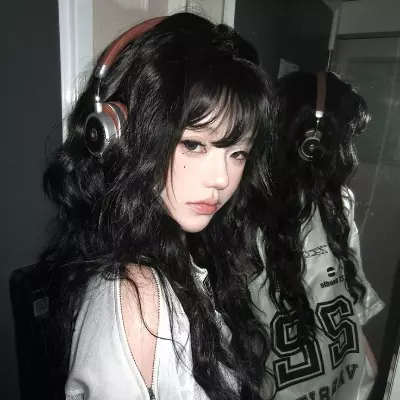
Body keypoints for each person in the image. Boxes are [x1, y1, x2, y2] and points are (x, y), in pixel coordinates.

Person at [40, 12, 277, 400]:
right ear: (123, 139)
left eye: (238, 153)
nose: (222, 179)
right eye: (194, 144)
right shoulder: (136, 298)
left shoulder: (186, 253)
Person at [249, 71, 384, 399]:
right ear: (312, 142)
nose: (350, 152)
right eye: (346, 138)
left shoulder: (339, 203)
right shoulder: (245, 216)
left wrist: (371, 367)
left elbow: (349, 302)